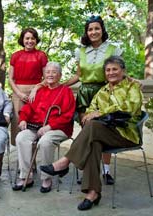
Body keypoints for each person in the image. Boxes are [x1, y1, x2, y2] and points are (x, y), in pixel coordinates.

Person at [40, 56, 142, 210]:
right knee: (93, 143)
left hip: (125, 134)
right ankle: (92, 193)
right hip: (103, 132)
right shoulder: (103, 90)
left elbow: (129, 108)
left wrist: (100, 112)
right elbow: (89, 111)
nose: (111, 72)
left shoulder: (132, 87)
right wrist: (91, 114)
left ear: (123, 71)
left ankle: (65, 162)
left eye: (115, 69)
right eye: (108, 70)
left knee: (93, 126)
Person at [30, 16, 122, 184]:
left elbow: (119, 73)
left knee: (103, 130)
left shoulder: (113, 50)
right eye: (90, 29)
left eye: (97, 28)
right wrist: (60, 85)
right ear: (87, 32)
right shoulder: (81, 51)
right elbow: (78, 76)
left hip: (105, 92)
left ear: (102, 30)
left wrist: (131, 81)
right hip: (85, 93)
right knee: (88, 132)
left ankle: (106, 171)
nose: (93, 32)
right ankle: (89, 170)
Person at [12, 62, 75, 192]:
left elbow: (67, 116)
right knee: (21, 137)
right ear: (44, 75)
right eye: (47, 72)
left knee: (45, 141)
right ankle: (25, 176)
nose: (50, 74)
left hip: (58, 128)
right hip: (36, 126)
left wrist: (50, 127)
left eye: (54, 72)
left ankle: (46, 177)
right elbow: (28, 107)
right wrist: (23, 119)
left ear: (60, 75)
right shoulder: (39, 90)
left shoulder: (66, 91)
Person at [8, 27, 48, 146]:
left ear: (36, 40)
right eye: (27, 38)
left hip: (37, 92)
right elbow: (10, 78)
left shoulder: (41, 55)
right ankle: (22, 160)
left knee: (34, 122)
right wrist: (19, 93)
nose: (30, 41)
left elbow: (47, 78)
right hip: (18, 91)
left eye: (32, 38)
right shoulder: (15, 56)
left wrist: (36, 89)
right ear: (22, 39)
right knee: (19, 122)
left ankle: (33, 160)